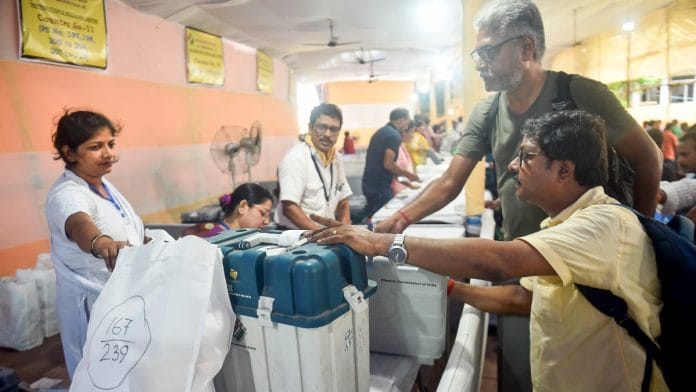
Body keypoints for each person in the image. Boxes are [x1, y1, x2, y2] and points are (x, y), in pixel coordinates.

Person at [374, 1, 661, 389]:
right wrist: (401, 219)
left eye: (488, 51)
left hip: (586, 261)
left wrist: (637, 238)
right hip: (523, 259)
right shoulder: (489, 110)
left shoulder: (580, 96)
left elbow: (648, 158)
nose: (479, 62)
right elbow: (450, 182)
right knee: (527, 365)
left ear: (526, 48)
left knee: (589, 363)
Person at [309, 110, 667, 391]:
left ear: (564, 170)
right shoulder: (565, 224)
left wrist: (381, 243)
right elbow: (520, 299)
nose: (512, 166)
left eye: (526, 156)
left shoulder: (602, 224)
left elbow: (500, 260)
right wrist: (446, 287)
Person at [45, 109, 147, 377]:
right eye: (95, 147)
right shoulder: (67, 194)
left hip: (119, 298)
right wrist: (101, 242)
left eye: (111, 144)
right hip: (91, 304)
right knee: (96, 375)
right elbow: (80, 225)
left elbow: (126, 228)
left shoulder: (104, 186)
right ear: (69, 153)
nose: (109, 153)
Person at [274, 103, 352, 230]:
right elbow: (289, 207)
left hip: (325, 234)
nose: (327, 134)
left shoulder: (336, 158)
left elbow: (343, 202)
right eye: (321, 127)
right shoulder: (296, 158)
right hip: (297, 234)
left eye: (333, 129)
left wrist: (347, 230)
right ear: (310, 128)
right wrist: (321, 234)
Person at [362, 108, 420, 219]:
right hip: (379, 186)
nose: (407, 126)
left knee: (376, 217)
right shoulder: (394, 136)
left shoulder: (383, 131)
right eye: (407, 122)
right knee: (382, 219)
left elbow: (390, 167)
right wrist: (409, 175)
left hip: (371, 184)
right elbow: (388, 164)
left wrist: (409, 183)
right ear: (401, 120)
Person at [182, 183, 273, 237]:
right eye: (263, 213)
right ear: (243, 207)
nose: (267, 222)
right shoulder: (213, 237)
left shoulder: (238, 237)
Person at [392, 121, 420, 195]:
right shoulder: (396, 148)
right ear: (403, 133)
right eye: (411, 132)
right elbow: (395, 173)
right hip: (398, 190)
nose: (413, 135)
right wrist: (410, 184)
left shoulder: (402, 146)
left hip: (405, 187)